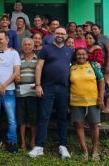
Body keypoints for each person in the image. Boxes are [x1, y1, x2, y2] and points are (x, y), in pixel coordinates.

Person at [29, 26, 74, 159]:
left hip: (64, 89)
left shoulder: (70, 51)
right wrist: (38, 85)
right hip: (47, 87)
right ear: (53, 34)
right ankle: (39, 146)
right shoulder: (46, 49)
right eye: (58, 33)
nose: (60, 35)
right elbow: (39, 66)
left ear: (66, 36)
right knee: (44, 116)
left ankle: (63, 146)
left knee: (62, 117)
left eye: (63, 33)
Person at [70, 48, 104, 161]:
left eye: (83, 54)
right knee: (79, 125)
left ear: (87, 55)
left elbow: (101, 81)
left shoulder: (93, 66)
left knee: (94, 125)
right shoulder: (71, 67)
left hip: (93, 101)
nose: (81, 56)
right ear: (76, 56)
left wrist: (101, 98)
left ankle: (94, 151)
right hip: (76, 101)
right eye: (78, 54)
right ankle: (84, 150)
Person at [14, 38, 39, 150]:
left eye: (29, 45)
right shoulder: (17, 59)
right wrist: (16, 78)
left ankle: (33, 141)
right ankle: (23, 142)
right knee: (21, 119)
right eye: (25, 45)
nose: (27, 47)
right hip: (20, 92)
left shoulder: (38, 59)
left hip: (34, 92)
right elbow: (13, 73)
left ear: (33, 46)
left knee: (33, 119)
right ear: (22, 46)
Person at [91, 23, 109, 114]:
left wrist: (107, 66)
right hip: (97, 64)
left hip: (105, 65)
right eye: (93, 29)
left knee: (104, 84)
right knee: (98, 84)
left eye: (96, 29)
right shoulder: (93, 38)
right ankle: (100, 105)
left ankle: (107, 106)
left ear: (100, 29)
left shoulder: (104, 38)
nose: (94, 31)